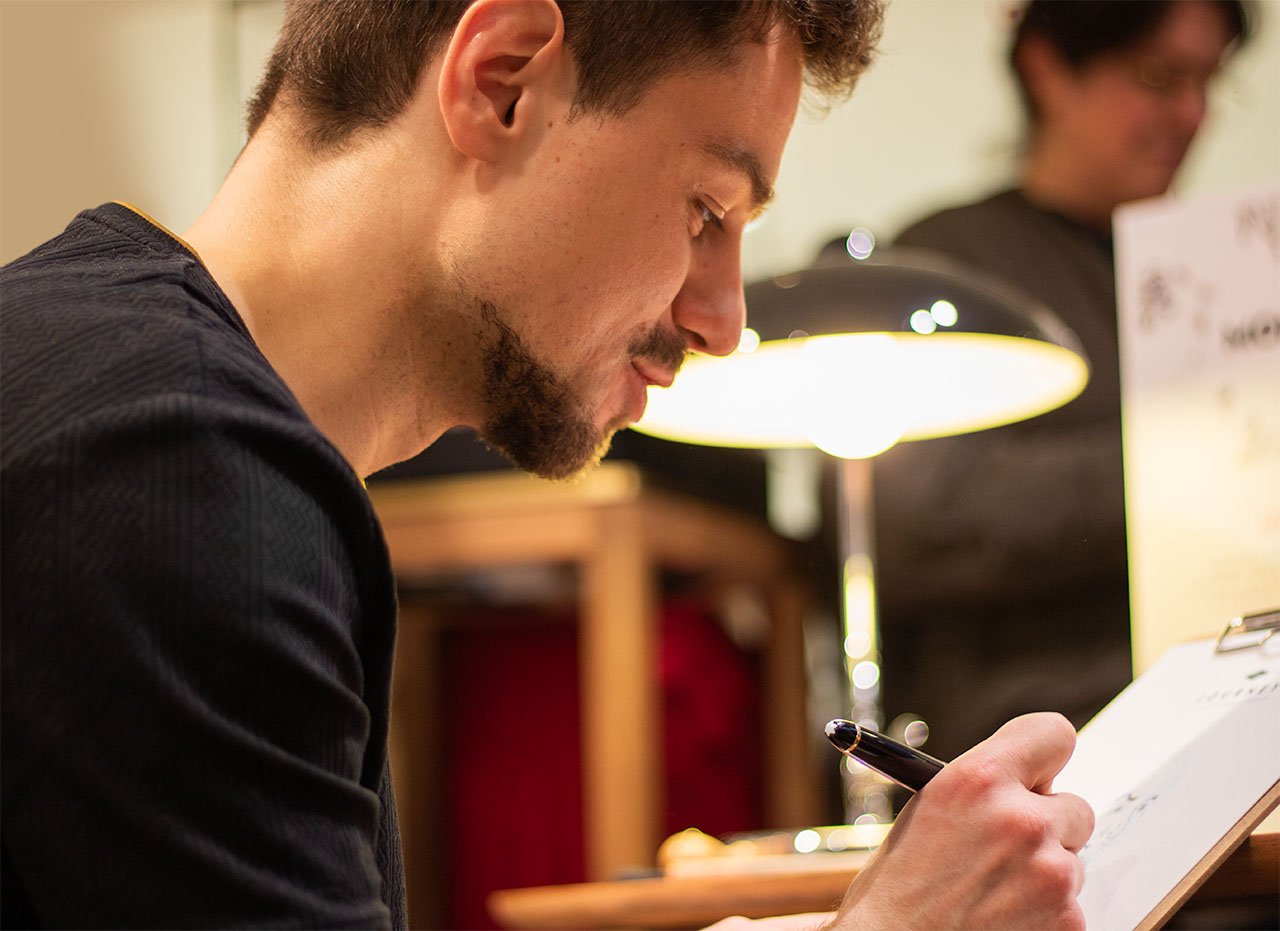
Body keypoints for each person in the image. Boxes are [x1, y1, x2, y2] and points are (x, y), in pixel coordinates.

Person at [2, 2, 1092, 928]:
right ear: (503, 81)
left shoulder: (124, 393)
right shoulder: (171, 473)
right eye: (706, 209)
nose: (720, 321)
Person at [867, 0, 1253, 763]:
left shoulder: (1230, 274)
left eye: (1210, 82)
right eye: (1158, 77)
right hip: (1050, 745)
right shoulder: (951, 264)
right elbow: (920, 520)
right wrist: (1210, 468)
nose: (1192, 113)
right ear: (1047, 66)